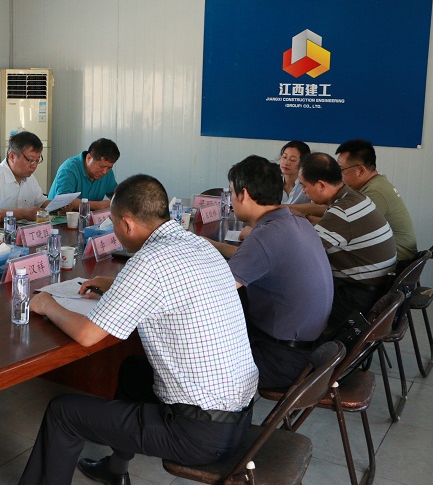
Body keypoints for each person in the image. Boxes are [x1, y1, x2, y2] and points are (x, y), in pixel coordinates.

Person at [19, 175, 258, 485]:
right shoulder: (196, 243)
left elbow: (88, 335)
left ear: (127, 224)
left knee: (63, 413)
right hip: (238, 417)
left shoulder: (149, 261)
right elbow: (172, 286)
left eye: (114, 224)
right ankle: (116, 471)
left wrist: (48, 304)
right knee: (134, 371)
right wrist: (116, 284)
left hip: (198, 434)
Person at [206, 156, 332, 388]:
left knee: (196, 357)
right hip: (312, 349)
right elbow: (254, 258)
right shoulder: (295, 221)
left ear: (244, 194)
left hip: (283, 360)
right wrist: (209, 245)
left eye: (232, 192)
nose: (232, 199)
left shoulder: (265, 237)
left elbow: (215, 293)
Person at [298, 152, 397, 324]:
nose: (303, 191)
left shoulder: (342, 211)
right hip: (376, 290)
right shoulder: (355, 197)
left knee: (289, 295)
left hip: (358, 299)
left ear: (321, 185)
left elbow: (301, 253)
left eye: (304, 186)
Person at [335, 138, 418, 268]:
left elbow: (344, 226)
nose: (339, 176)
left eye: (342, 170)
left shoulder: (375, 192)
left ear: (360, 170)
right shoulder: (375, 184)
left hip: (398, 262)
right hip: (390, 256)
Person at [0, 131, 49, 223]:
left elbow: (41, 202)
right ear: (12, 156)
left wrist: (59, 206)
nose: (34, 166)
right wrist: (23, 213)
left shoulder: (30, 178)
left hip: (18, 230)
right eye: (30, 160)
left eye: (37, 160)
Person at [48, 138, 120, 211]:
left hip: (88, 216)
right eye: (101, 166)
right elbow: (64, 200)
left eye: (109, 167)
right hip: (57, 215)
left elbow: (116, 195)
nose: (104, 172)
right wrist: (96, 205)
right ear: (89, 158)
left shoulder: (107, 172)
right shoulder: (69, 169)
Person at [278, 140, 312, 204]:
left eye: (292, 160)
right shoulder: (272, 180)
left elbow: (321, 206)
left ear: (303, 163)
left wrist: (285, 207)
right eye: (284, 157)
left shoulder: (309, 183)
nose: (286, 162)